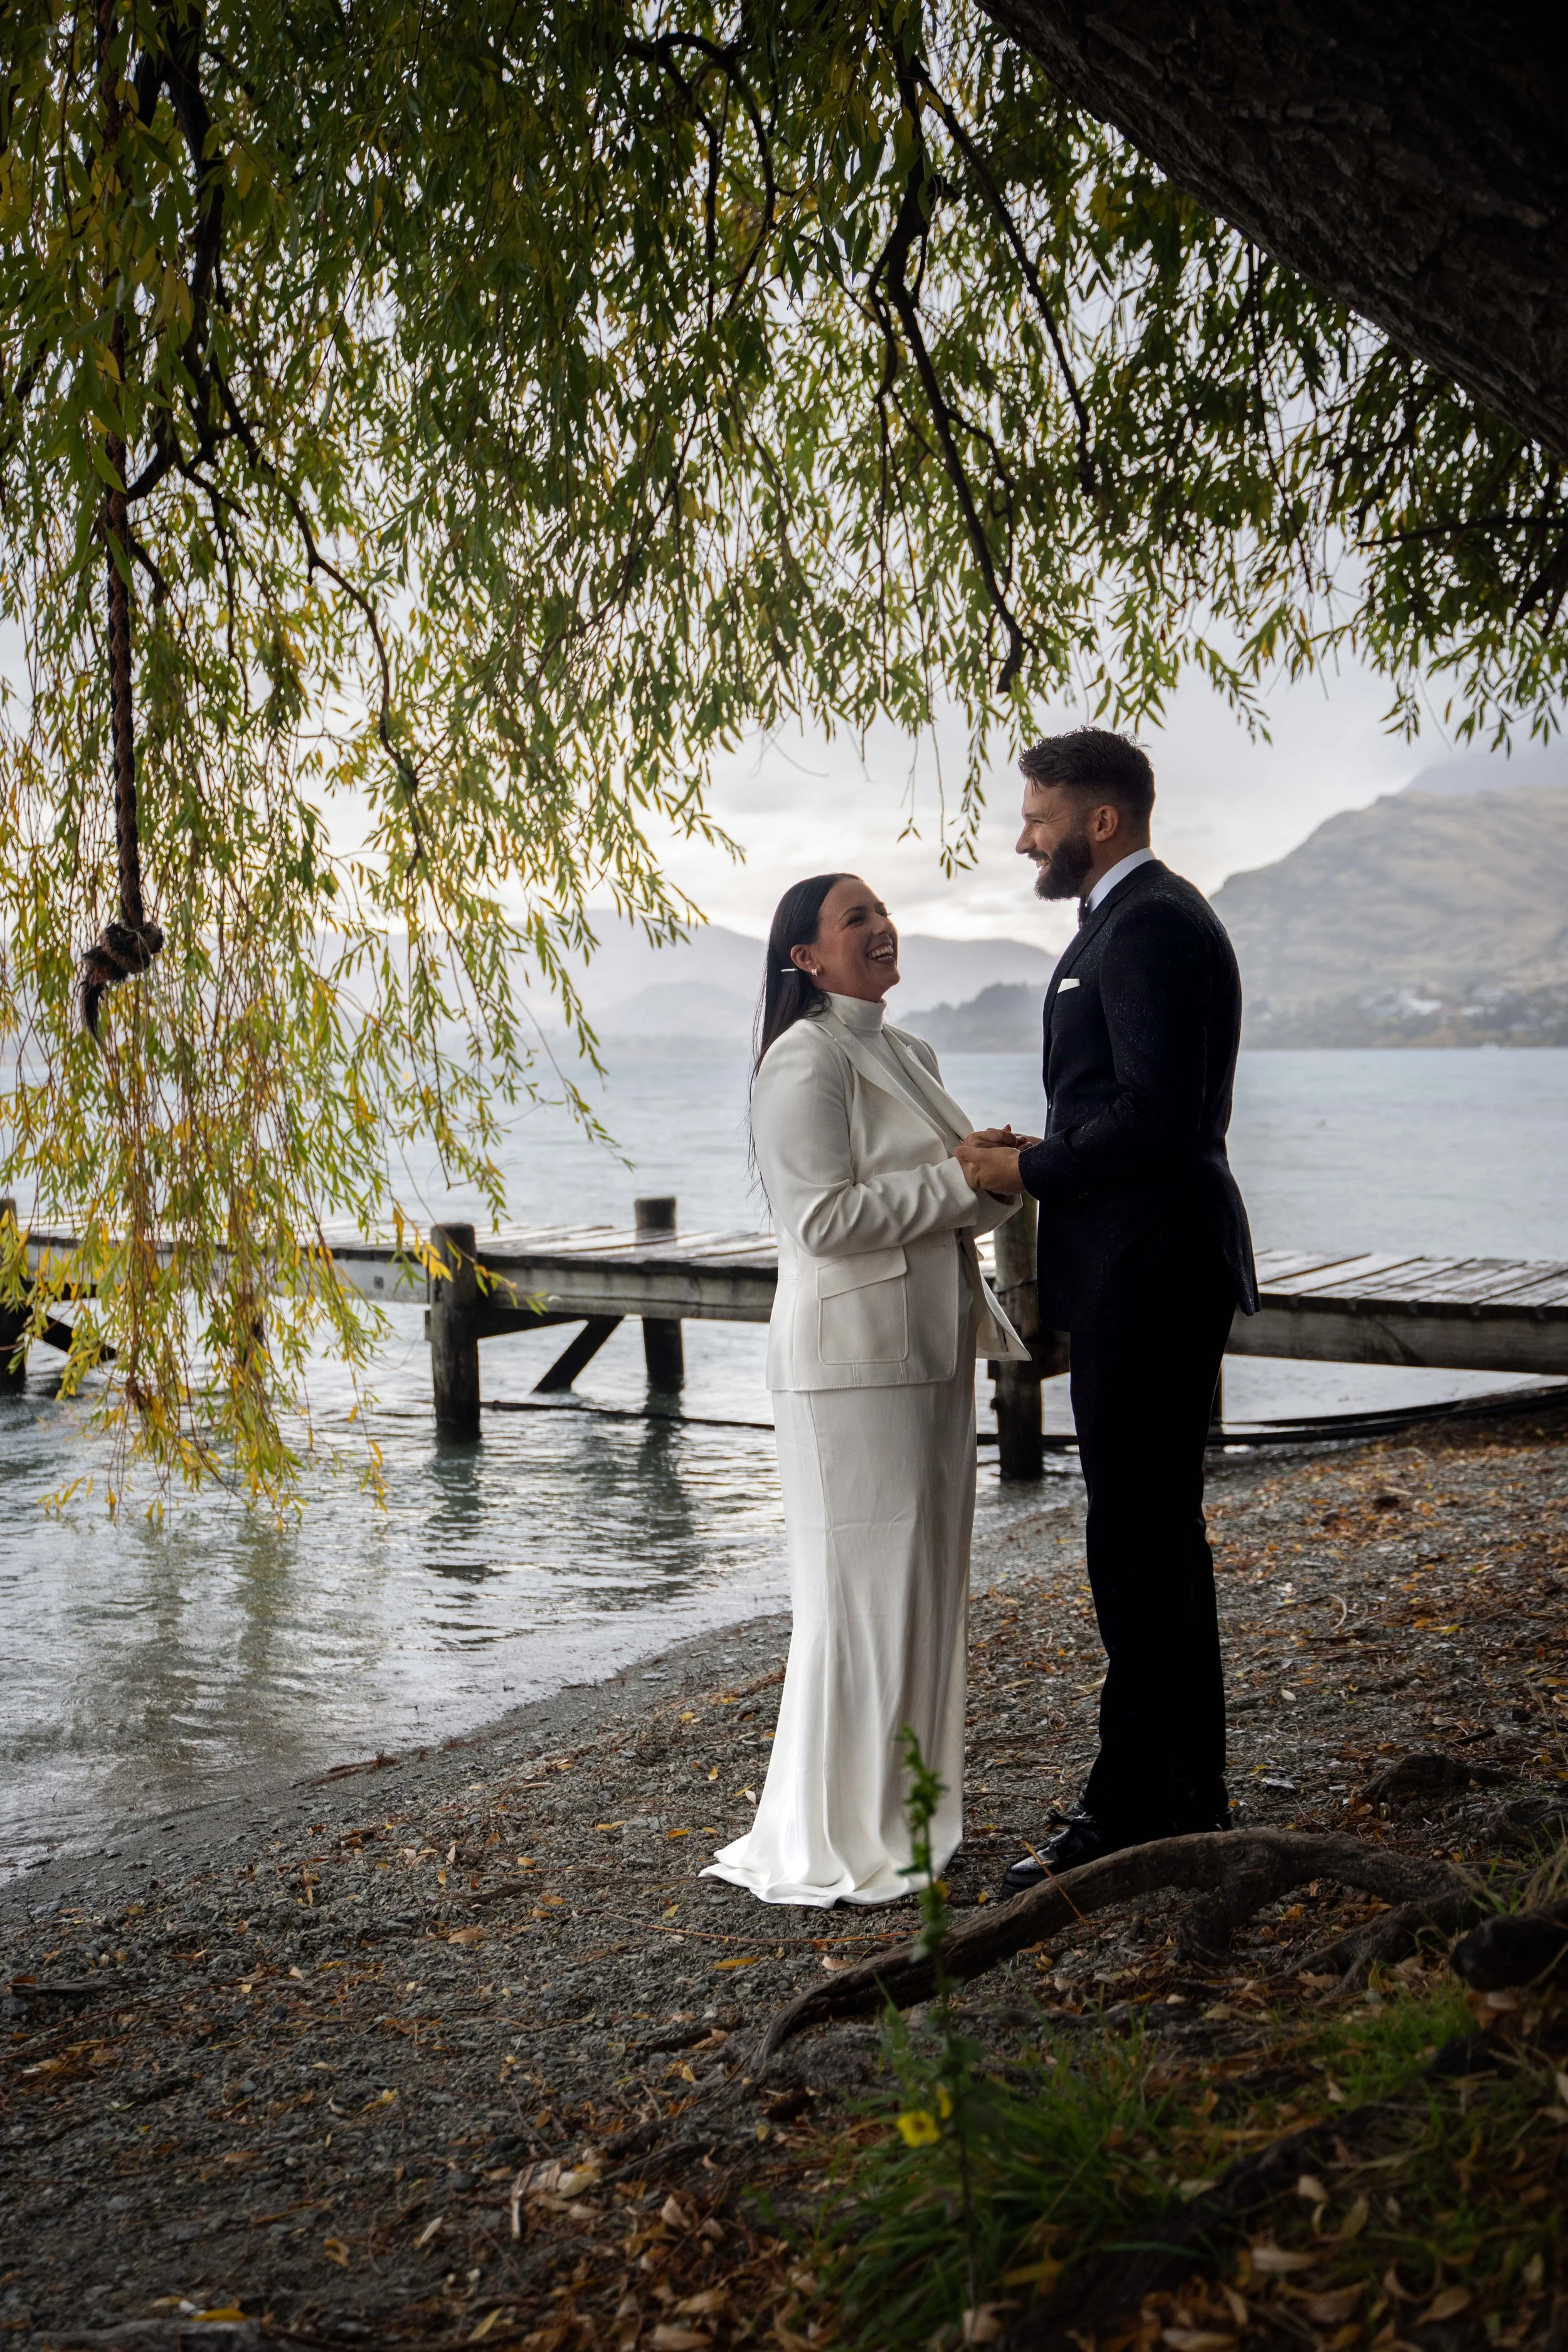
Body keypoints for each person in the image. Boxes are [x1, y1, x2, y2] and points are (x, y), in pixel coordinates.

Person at [955, 729, 1258, 1889]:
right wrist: (1046, 1147)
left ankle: (1139, 1806)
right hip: (1138, 1265)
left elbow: (1161, 1122)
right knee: (1148, 1541)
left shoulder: (1152, 927)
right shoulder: (1126, 923)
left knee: (1137, 1546)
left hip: (1151, 1272)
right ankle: (1182, 1791)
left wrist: (1027, 1175)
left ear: (1101, 821)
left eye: (1037, 815)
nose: (1023, 836)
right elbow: (1132, 1111)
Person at [702, 873, 1029, 1909]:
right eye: (856, 918)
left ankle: (913, 1815)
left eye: (882, 911)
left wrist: (992, 1173)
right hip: (848, 1367)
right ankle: (838, 1830)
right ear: (807, 957)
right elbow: (821, 1222)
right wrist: (964, 1181)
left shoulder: (910, 1052)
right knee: (859, 1597)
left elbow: (951, 1210)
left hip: (931, 1348)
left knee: (927, 1586)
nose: (882, 926)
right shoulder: (804, 1060)